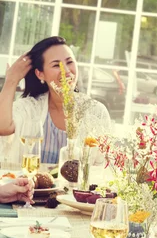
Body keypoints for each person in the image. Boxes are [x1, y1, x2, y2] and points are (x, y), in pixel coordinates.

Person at [0, 36, 111, 164]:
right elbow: (3, 127)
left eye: (69, 62)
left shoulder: (96, 112)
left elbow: (103, 166)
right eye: (56, 65)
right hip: (30, 183)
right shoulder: (30, 108)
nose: (67, 71)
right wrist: (11, 80)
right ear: (40, 74)